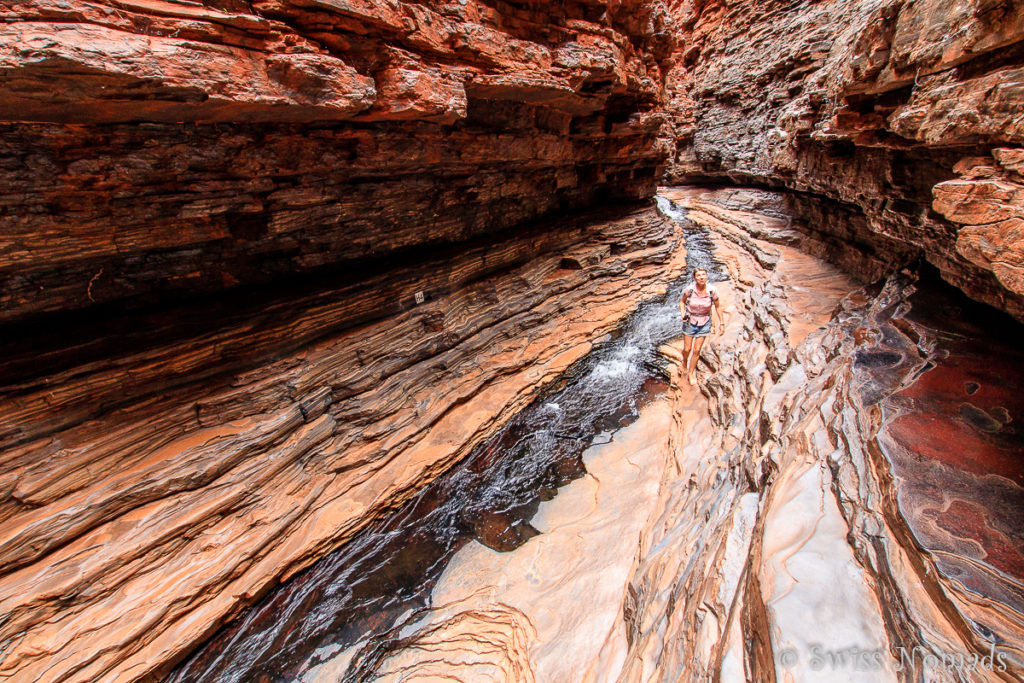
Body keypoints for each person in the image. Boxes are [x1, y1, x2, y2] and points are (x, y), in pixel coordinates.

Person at [679, 267, 724, 386]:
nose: (701, 277)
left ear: (707, 276)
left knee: (697, 349)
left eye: (703, 274)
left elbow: (718, 306)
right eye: (698, 275)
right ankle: (684, 362)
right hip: (690, 321)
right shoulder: (689, 290)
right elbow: (682, 302)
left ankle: (690, 373)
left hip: (705, 321)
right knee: (687, 349)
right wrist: (682, 313)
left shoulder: (712, 291)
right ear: (694, 278)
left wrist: (721, 323)